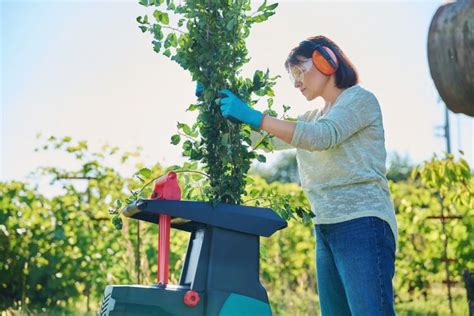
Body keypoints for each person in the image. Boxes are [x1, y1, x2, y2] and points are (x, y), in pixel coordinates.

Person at [196, 35, 398, 316]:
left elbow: (322, 137)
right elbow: (267, 138)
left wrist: (254, 116)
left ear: (325, 60)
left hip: (362, 223)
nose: (296, 82)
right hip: (325, 226)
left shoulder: (359, 100)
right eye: (292, 76)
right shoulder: (311, 117)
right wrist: (222, 111)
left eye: (299, 71)